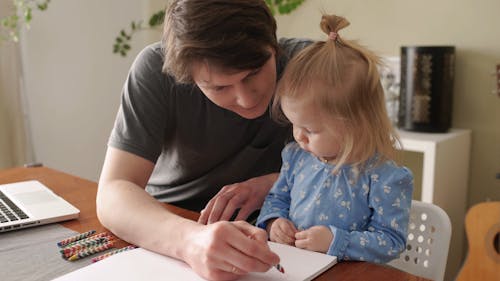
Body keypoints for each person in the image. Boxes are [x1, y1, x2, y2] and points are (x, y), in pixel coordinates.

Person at [96, 1, 310, 280]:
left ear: (273, 45)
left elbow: (369, 170)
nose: (246, 99)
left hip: (282, 238)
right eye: (219, 87)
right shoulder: (155, 70)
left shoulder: (311, 68)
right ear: (187, 78)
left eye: (254, 73)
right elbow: (114, 190)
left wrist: (275, 184)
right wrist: (190, 241)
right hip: (168, 225)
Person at [255, 14, 414, 264]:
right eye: (294, 124)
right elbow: (278, 198)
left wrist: (335, 241)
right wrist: (274, 221)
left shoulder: (384, 176)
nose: (299, 136)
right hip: (297, 267)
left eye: (311, 129)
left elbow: (391, 241)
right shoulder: (296, 157)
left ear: (356, 125)